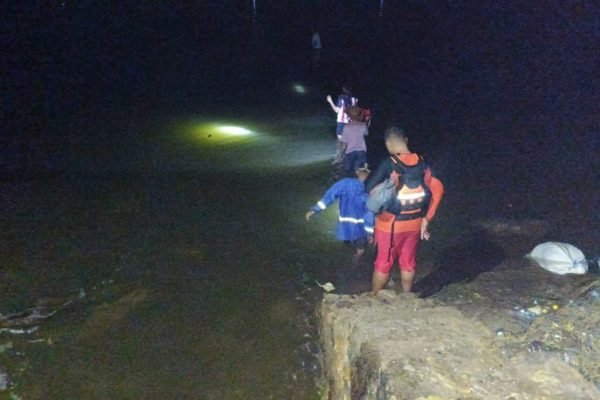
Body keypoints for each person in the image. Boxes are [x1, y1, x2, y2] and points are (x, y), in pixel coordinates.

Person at [364, 126, 444, 294]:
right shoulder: (424, 163)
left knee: (383, 262)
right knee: (408, 262)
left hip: (390, 225)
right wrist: (426, 219)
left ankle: (373, 297)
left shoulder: (389, 163)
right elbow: (438, 190)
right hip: (415, 223)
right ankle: (407, 296)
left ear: (388, 144)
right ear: (406, 141)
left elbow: (368, 187)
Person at [305, 166, 372, 258]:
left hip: (345, 228)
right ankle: (354, 265)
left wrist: (314, 210)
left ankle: (348, 262)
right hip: (360, 229)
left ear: (357, 171)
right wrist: (370, 234)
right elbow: (369, 214)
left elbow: (330, 195)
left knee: (348, 247)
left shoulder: (345, 183)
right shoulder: (369, 191)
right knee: (360, 251)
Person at [326, 86, 357, 163]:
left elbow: (337, 110)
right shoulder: (354, 99)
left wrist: (330, 101)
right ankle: (345, 158)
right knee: (346, 142)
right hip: (350, 123)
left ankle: (339, 158)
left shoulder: (341, 98)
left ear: (343, 89)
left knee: (340, 142)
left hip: (341, 122)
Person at [340, 106, 369, 174]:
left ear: (349, 116)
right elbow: (366, 134)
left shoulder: (346, 127)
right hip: (361, 151)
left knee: (347, 170)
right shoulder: (363, 125)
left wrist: (341, 153)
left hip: (349, 152)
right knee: (359, 170)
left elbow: (344, 143)